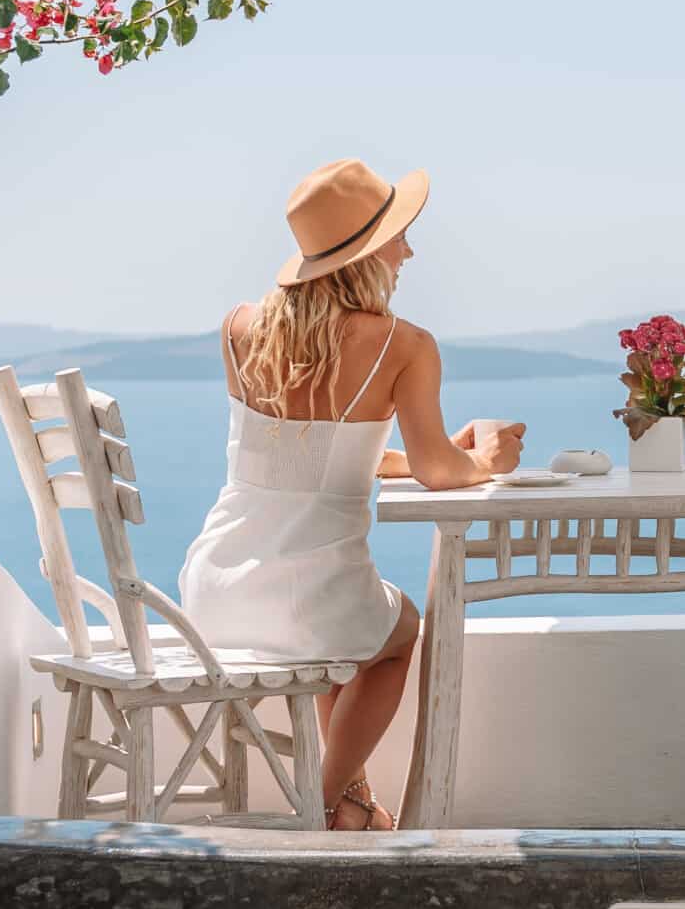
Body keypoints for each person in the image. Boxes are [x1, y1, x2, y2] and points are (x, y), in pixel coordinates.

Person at [179, 158, 525, 829]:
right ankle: (321, 800)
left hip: (213, 591)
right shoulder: (405, 345)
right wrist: (483, 459)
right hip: (309, 597)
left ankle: (353, 806)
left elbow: (299, 455)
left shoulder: (240, 327)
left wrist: (394, 460)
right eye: (399, 235)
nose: (408, 251)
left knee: (344, 633)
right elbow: (440, 473)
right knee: (396, 633)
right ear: (368, 252)